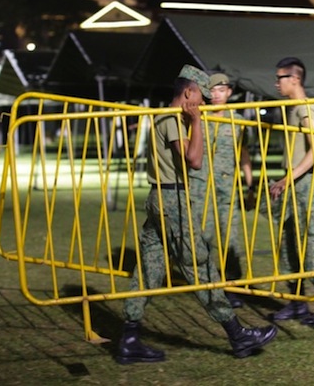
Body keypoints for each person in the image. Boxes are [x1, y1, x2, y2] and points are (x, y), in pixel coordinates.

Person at [117, 65, 277, 364]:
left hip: (160, 198)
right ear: (189, 92)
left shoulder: (166, 117)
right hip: (172, 200)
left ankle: (129, 338)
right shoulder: (172, 120)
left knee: (150, 267)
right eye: (201, 96)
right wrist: (197, 122)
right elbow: (194, 160)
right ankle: (237, 334)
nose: (203, 102)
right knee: (199, 265)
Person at [268, 57, 314, 325]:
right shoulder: (293, 108)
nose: (276, 83)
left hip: (304, 183)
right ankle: (297, 302)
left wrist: (287, 179)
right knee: (290, 243)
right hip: (294, 182)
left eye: (280, 78)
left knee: (310, 243)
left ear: (295, 79)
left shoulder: (306, 109)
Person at [206, 73, 253, 308]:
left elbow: (243, 154)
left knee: (229, 239)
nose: (216, 95)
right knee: (202, 237)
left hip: (227, 190)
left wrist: (250, 184)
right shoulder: (199, 118)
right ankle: (206, 284)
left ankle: (232, 285)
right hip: (202, 189)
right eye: (212, 90)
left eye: (221, 90)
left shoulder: (237, 121)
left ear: (229, 93)